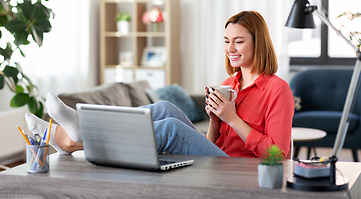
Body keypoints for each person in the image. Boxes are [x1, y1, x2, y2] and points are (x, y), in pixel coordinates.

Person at [25, 11, 294, 158]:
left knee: (172, 129)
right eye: (226, 41)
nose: (230, 49)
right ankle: (77, 133)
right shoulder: (229, 83)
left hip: (242, 169)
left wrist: (232, 119)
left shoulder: (277, 90)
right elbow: (216, 143)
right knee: (165, 108)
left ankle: (74, 138)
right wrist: (215, 120)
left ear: (258, 42)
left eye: (238, 41)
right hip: (219, 158)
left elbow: (278, 154)